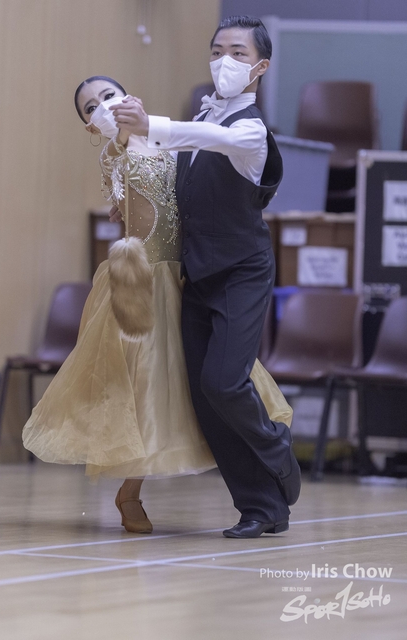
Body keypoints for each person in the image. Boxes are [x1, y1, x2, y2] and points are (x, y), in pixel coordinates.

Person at [22, 74, 293, 535]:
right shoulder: (114, 154)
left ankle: (264, 467)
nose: (103, 107)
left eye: (109, 96)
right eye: (91, 107)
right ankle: (131, 491)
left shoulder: (172, 142)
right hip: (143, 282)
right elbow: (123, 186)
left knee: (201, 381)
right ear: (90, 127)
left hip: (187, 276)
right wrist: (123, 184)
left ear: (131, 97)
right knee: (143, 387)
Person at [110, 16, 301, 539]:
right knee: (204, 395)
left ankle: (277, 447)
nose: (224, 61)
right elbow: (165, 173)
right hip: (196, 272)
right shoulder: (203, 116)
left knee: (224, 382)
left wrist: (151, 122)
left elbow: (208, 138)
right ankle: (262, 508)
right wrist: (130, 199)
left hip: (241, 271)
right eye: (218, 51)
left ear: (260, 67)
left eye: (238, 53)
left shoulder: (249, 130)